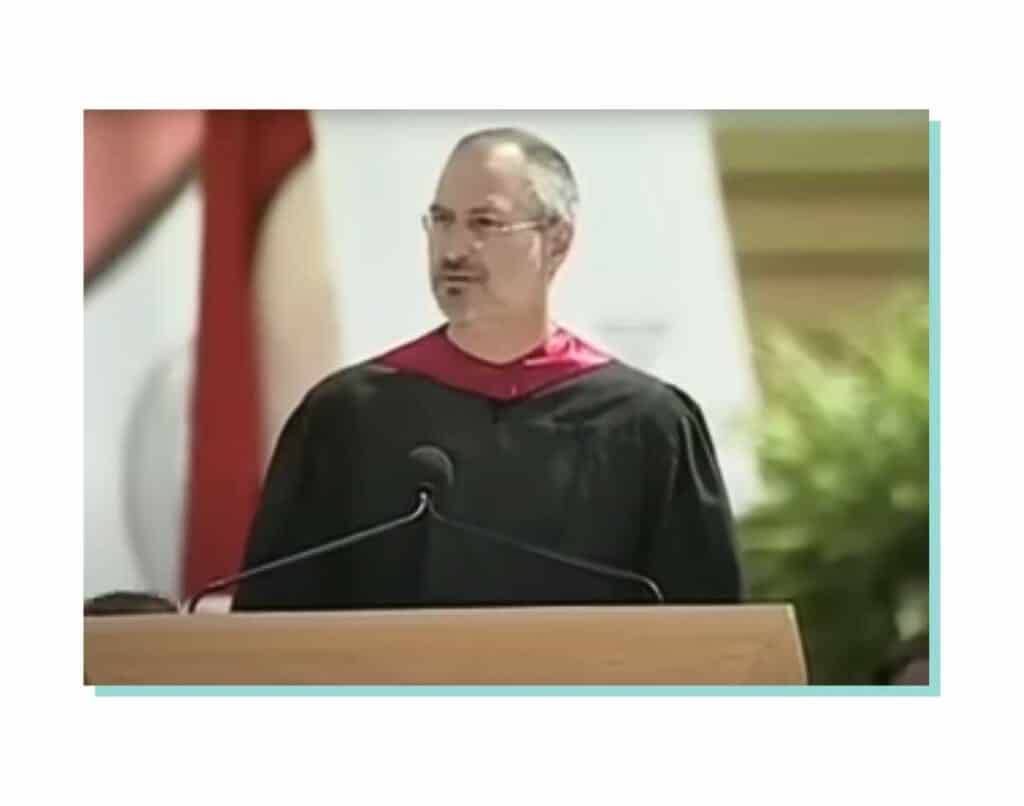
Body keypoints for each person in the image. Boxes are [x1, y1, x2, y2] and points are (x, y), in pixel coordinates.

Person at [233, 127, 742, 611]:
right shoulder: (346, 417)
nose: (453, 250)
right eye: (442, 220)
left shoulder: (648, 425)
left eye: (484, 224)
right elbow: (275, 630)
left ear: (557, 241)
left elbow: (708, 636)